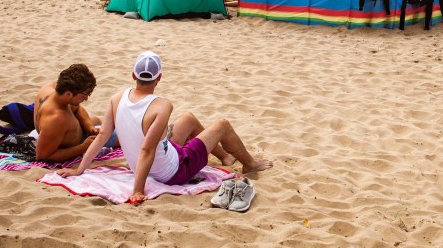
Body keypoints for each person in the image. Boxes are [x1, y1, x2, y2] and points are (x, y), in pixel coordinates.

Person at [60, 52, 271, 204]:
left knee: (188, 119)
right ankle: (250, 164)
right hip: (174, 171)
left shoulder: (117, 98)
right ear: (159, 77)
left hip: (149, 164)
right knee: (222, 125)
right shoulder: (162, 105)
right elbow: (147, 149)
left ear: (133, 75)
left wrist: (79, 170)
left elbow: (101, 137)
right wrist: (137, 190)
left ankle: (225, 157)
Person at [33, 64, 112, 163]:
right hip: (72, 143)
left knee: (96, 120)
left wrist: (89, 127)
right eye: (85, 94)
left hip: (66, 133)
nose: (86, 98)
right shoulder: (56, 118)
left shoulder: (54, 88)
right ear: (69, 94)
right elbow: (42, 156)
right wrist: (83, 147)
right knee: (121, 135)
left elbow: (77, 108)